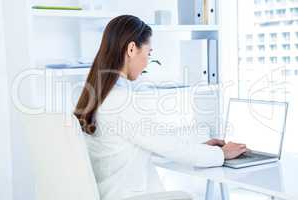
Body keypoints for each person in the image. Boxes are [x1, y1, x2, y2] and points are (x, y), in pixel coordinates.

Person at [74, 15, 248, 200]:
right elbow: (168, 146)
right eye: (148, 53)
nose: (147, 62)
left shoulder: (97, 95)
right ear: (132, 49)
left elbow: (155, 141)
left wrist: (202, 148)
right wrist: (220, 154)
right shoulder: (119, 100)